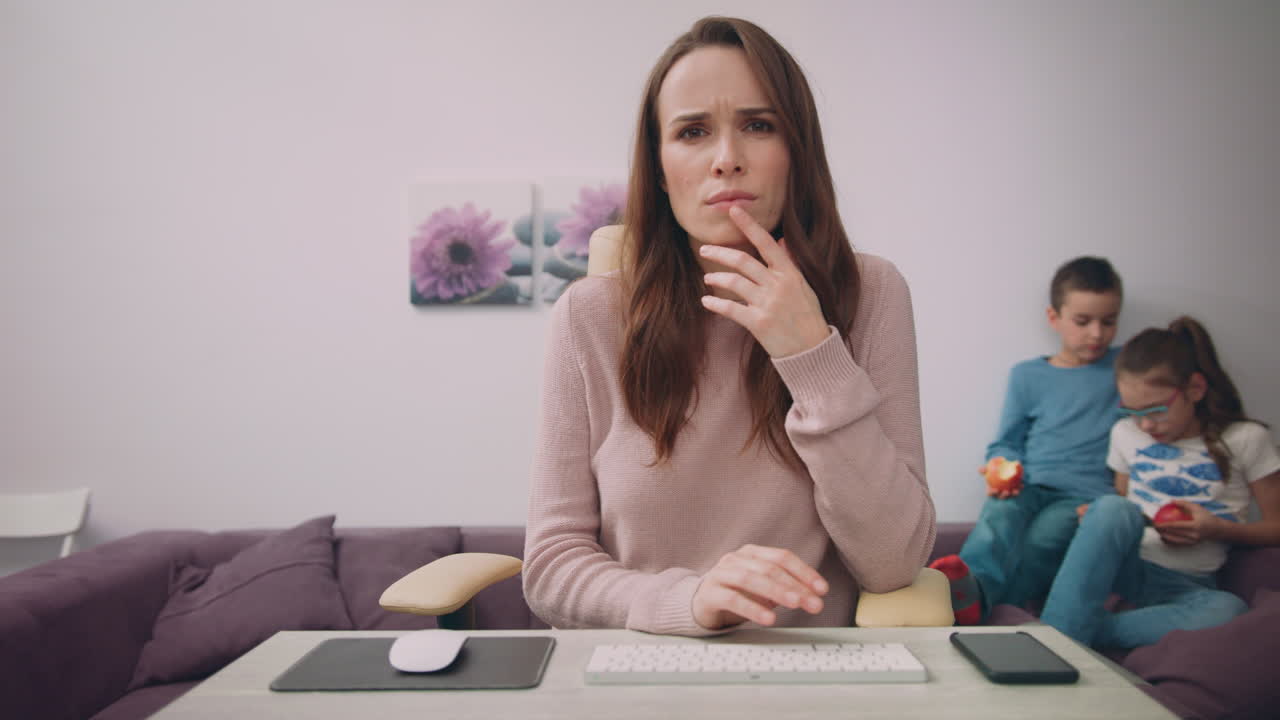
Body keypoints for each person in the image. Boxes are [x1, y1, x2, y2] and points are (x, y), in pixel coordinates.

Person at [522, 16, 935, 636]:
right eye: (692, 132)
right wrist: (689, 601)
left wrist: (812, 355)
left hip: (808, 679)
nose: (727, 160)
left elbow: (895, 560)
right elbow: (551, 569)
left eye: (758, 126)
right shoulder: (589, 316)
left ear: (797, 151)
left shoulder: (870, 293)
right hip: (637, 673)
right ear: (661, 170)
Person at [1040, 317, 1279, 648]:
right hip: (1128, 568)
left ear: (1195, 389)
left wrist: (1217, 529)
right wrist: (1097, 520)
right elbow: (1124, 504)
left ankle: (1069, 634)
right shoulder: (1125, 434)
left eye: (1156, 410)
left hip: (1188, 583)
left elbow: (1276, 526)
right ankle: (1059, 637)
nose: (1146, 425)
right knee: (1110, 507)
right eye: (1133, 412)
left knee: (1229, 610)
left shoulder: (1246, 439)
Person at [929, 257, 1123, 624]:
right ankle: (968, 593)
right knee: (997, 516)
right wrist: (1000, 466)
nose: (1097, 334)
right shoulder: (1028, 375)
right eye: (1083, 322)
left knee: (1043, 538)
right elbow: (1006, 441)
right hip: (1028, 485)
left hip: (1084, 497)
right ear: (1054, 318)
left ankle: (994, 610)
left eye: (1108, 321)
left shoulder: (1123, 370)